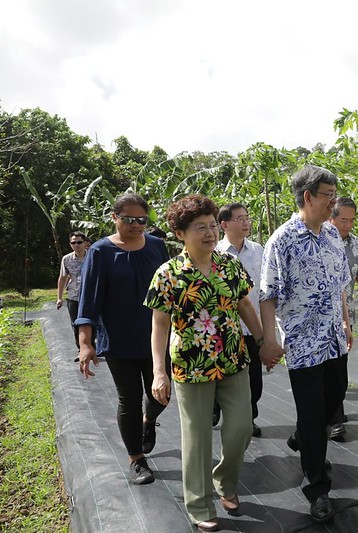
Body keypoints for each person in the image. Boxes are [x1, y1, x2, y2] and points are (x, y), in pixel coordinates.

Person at [146, 195, 266, 532]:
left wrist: (262, 342)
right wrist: (159, 372)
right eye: (200, 227)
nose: (210, 233)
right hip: (192, 366)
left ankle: (224, 480)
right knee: (197, 439)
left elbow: (244, 305)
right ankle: (199, 505)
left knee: (241, 428)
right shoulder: (168, 274)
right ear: (180, 234)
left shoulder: (229, 265)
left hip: (233, 359)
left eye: (213, 226)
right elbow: (159, 325)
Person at [260, 164, 352, 524]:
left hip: (334, 340)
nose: (333, 202)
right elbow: (268, 294)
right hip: (303, 344)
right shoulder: (282, 240)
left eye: (334, 195)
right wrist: (270, 340)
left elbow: (340, 285)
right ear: (308, 197)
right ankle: (317, 489)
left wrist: (345, 323)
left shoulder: (332, 235)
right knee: (313, 415)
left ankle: (303, 436)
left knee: (337, 395)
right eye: (328, 195)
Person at [75, 193, 170, 485]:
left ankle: (148, 421)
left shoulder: (156, 246)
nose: (137, 225)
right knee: (129, 399)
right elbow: (88, 300)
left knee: (161, 394)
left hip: (158, 337)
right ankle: (136, 460)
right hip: (119, 339)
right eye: (130, 220)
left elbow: (172, 288)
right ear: (114, 218)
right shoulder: (101, 252)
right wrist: (85, 343)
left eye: (142, 220)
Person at [213, 202, 265, 437]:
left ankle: (249, 417)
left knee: (254, 378)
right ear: (224, 224)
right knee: (223, 374)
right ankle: (216, 408)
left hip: (252, 325)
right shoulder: (215, 252)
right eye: (239, 219)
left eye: (247, 217)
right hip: (224, 327)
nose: (245, 222)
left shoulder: (258, 250)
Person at [327, 197, 358, 439]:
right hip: (320, 316)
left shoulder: (356, 245)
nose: (348, 225)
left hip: (345, 316)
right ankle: (334, 418)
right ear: (331, 218)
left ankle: (334, 409)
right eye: (343, 220)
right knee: (326, 369)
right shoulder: (320, 240)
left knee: (339, 369)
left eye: (352, 220)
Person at [56, 231, 89, 352]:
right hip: (73, 296)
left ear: (85, 243)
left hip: (90, 295)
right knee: (76, 323)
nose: (76, 245)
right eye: (73, 243)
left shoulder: (93, 256)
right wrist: (59, 297)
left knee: (91, 322)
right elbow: (63, 277)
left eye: (79, 242)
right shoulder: (67, 259)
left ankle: (91, 346)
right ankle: (81, 349)